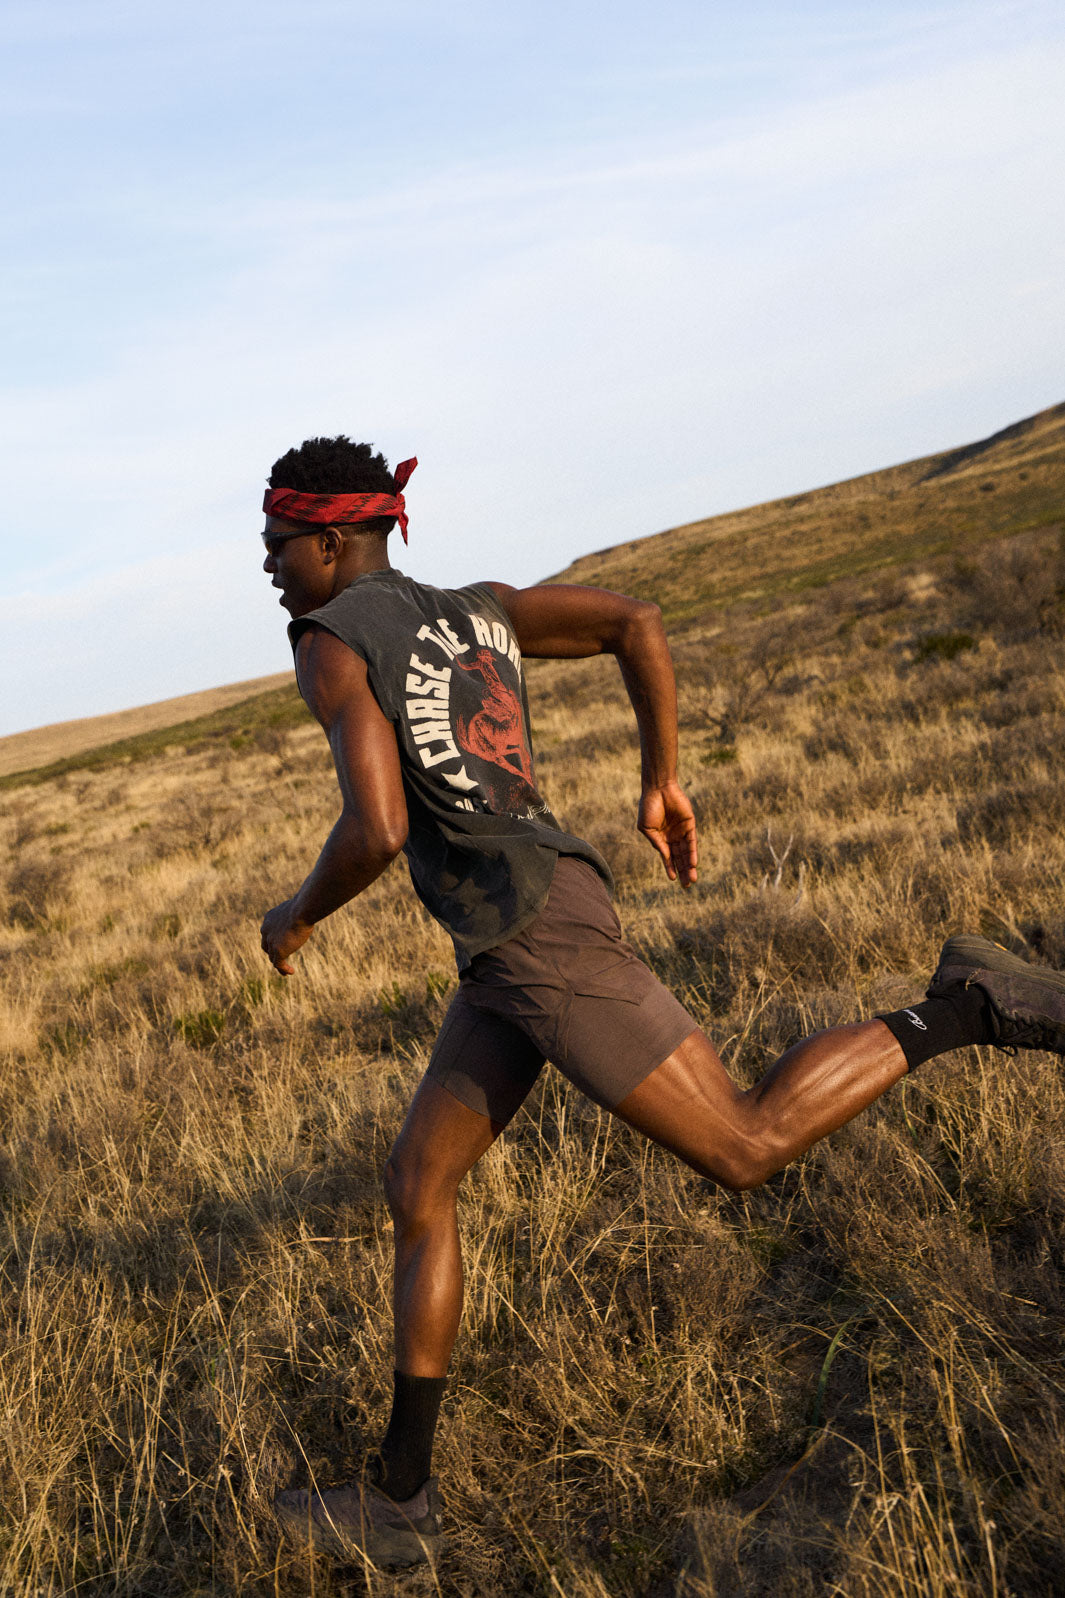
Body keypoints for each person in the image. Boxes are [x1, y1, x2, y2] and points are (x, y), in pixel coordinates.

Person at [261, 435, 1065, 1569]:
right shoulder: (479, 607)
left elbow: (379, 827)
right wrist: (661, 778)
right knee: (418, 1182)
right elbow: (634, 620)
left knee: (744, 1143)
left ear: (333, 539)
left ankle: (971, 1007)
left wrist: (296, 913)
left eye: (276, 542)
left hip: (532, 934)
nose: (267, 564)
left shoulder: (331, 642)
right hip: (519, 929)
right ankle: (400, 1496)